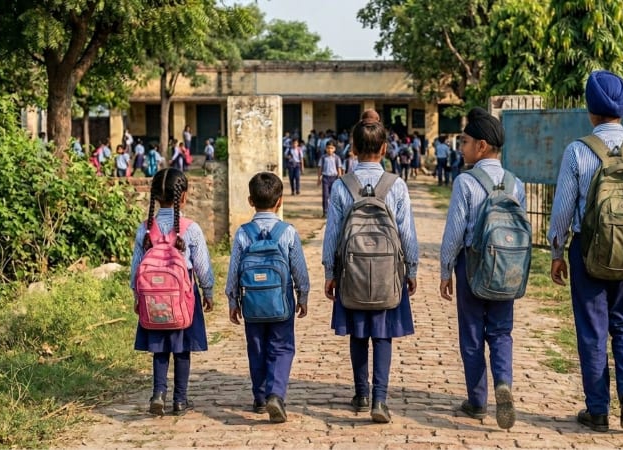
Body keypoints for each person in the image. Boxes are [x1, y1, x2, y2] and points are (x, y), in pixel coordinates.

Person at [548, 70, 623, 432]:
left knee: (592, 329)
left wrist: (557, 250)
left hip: (589, 251)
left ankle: (597, 410)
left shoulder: (578, 151)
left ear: (590, 109)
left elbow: (563, 210)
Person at [322, 119, 419, 424]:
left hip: (352, 271)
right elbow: (407, 232)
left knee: (358, 334)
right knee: (383, 335)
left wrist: (330, 271)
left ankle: (361, 393)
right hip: (388, 272)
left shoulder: (342, 185)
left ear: (352, 149)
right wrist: (411, 268)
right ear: (384, 149)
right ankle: (380, 399)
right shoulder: (396, 184)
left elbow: (333, 233)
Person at [439, 107, 525, 430]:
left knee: (472, 335)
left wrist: (446, 270)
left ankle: (477, 402)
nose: (462, 148)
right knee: (502, 331)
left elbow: (454, 233)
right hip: (507, 267)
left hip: (473, 267)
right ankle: (504, 382)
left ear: (482, 146)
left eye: (465, 142)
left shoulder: (466, 182)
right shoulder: (517, 184)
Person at [225, 172, 310, 423]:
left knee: (257, 349)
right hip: (281, 302)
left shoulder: (243, 233)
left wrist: (233, 301)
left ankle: (260, 398)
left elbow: (234, 271)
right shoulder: (287, 232)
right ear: (280, 201)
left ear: (250, 201)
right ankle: (276, 394)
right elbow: (299, 270)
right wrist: (302, 295)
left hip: (252, 304)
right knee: (282, 348)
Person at [130, 168, 215, 416]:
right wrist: (208, 291)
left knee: (159, 348)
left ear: (155, 197)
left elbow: (136, 268)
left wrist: (138, 295)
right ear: (185, 196)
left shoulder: (145, 229)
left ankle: (158, 393)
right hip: (183, 297)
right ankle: (180, 400)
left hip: (152, 299)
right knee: (182, 349)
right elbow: (202, 265)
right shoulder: (191, 229)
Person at [317, 139, 343, 218]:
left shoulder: (337, 158)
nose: (330, 150)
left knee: (334, 196)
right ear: (325, 148)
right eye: (328, 148)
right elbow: (320, 168)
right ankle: (325, 212)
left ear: (334, 149)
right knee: (325, 195)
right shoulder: (323, 158)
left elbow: (339, 169)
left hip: (334, 178)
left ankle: (334, 212)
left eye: (331, 148)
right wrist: (319, 178)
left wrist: (340, 178)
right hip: (325, 178)